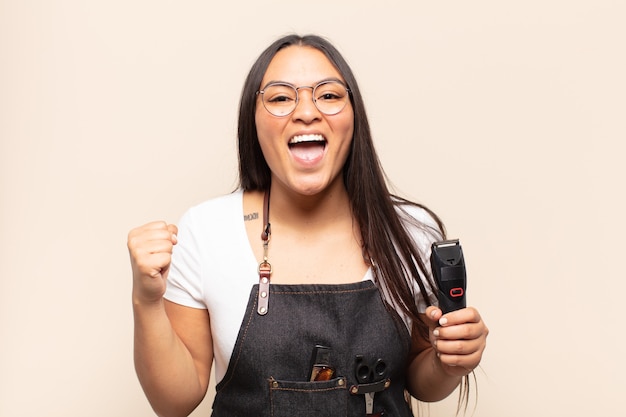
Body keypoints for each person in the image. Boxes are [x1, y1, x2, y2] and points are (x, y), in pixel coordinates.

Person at [127, 33, 489, 417]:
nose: (306, 111)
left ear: (355, 116)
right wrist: (145, 301)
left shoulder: (411, 231)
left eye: (329, 95)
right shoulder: (206, 231)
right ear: (253, 121)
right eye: (281, 97)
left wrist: (448, 362)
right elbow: (174, 402)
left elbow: (420, 380)